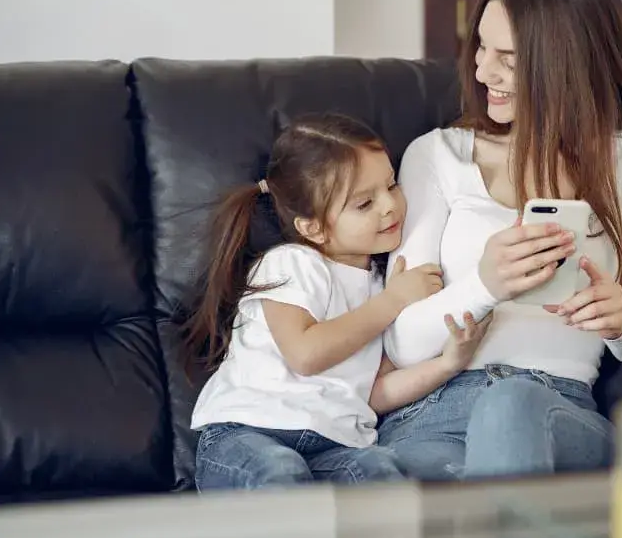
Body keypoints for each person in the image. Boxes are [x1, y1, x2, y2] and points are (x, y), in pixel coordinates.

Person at [378, 0, 622, 481]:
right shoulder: (437, 155)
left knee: (512, 407)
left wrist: (619, 323)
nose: (481, 70)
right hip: (433, 414)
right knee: (445, 503)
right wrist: (485, 284)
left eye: (508, 58)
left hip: (553, 410)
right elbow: (401, 342)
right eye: (480, 47)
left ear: (567, 62)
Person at [181, 114, 492, 491]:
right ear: (312, 226)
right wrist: (393, 301)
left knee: (383, 476)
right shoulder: (291, 264)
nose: (390, 206)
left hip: (334, 445)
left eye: (392, 185)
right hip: (250, 434)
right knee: (280, 473)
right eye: (365, 204)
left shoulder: (382, 285)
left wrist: (447, 364)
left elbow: (375, 392)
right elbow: (305, 354)